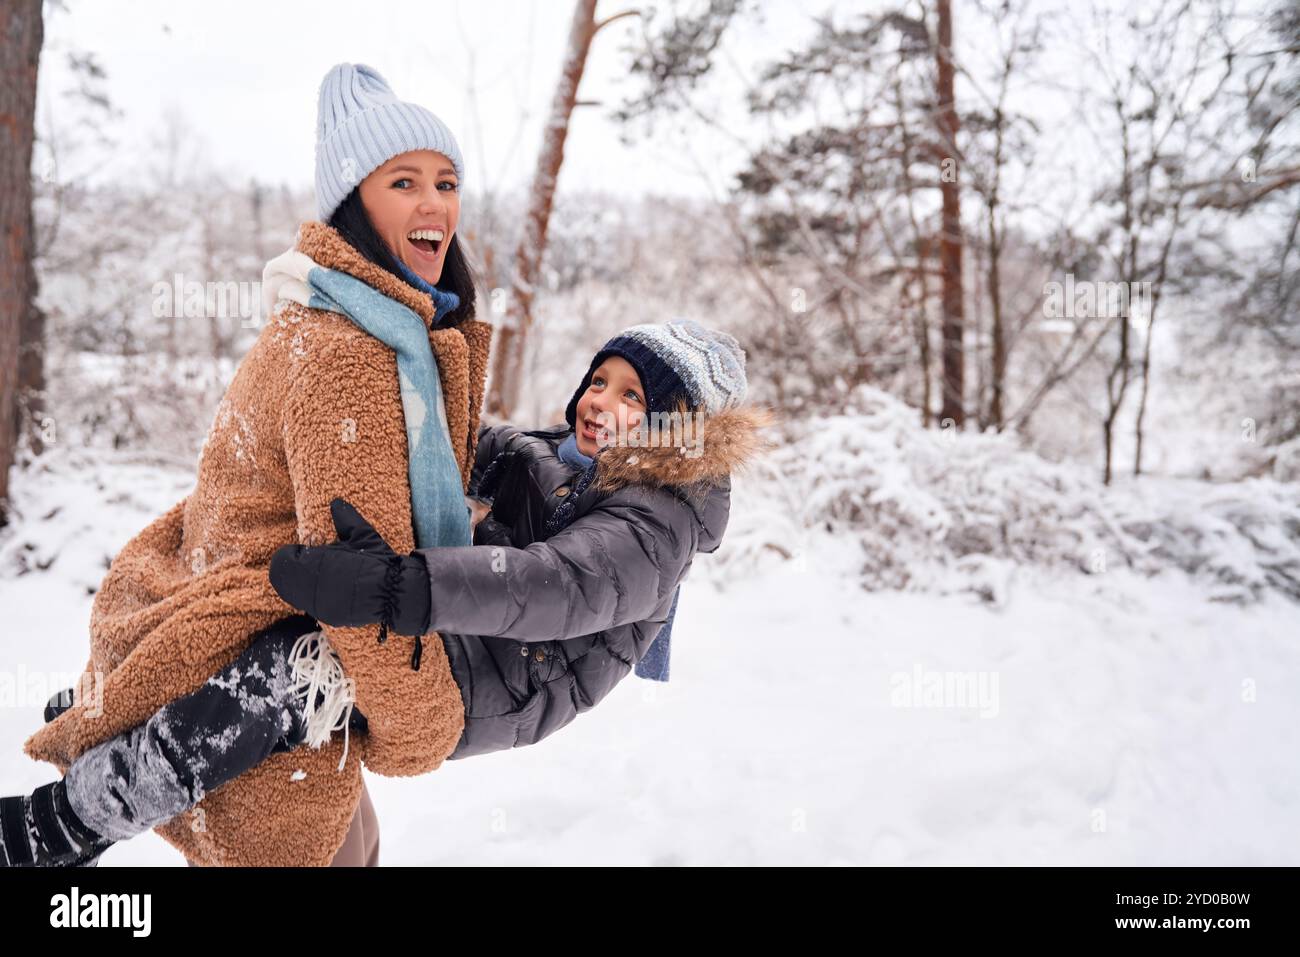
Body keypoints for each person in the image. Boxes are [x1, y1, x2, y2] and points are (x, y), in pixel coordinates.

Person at [2, 321, 773, 867]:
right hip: (463, 636)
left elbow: (556, 584)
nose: (602, 399)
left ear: (679, 428)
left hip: (500, 678)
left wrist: (398, 587)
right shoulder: (556, 457)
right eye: (599, 379)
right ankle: (132, 699)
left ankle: (76, 820)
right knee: (270, 609)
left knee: (292, 673)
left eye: (635, 395)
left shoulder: (659, 523)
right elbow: (466, 440)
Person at [16, 62, 492, 867]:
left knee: (359, 843)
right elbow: (355, 578)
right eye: (403, 181)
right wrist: (423, 724)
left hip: (272, 679)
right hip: (259, 679)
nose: (433, 204)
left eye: (445, 182)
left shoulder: (352, 321)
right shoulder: (351, 354)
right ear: (354, 207)